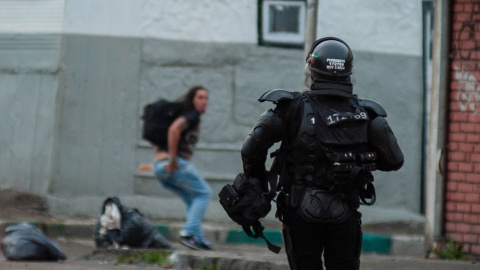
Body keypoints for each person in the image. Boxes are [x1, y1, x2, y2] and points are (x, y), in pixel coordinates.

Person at [238, 37, 404, 269]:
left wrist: (258, 183)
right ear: (349, 70)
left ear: (312, 69)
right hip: (345, 211)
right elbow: (395, 160)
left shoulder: (291, 108)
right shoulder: (367, 113)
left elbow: (250, 149)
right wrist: (361, 160)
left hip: (300, 211)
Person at [153, 86, 212, 251]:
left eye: (206, 98)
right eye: (200, 97)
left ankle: (198, 238)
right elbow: (174, 130)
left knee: (192, 200)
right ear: (192, 99)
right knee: (204, 193)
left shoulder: (184, 115)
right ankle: (188, 233)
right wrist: (172, 159)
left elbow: (162, 138)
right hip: (174, 165)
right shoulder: (191, 116)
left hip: (160, 168)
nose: (204, 101)